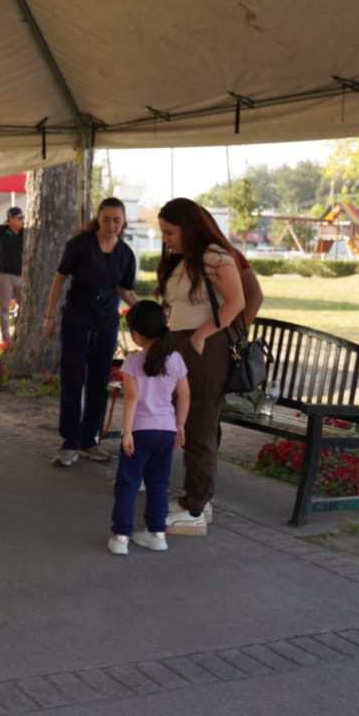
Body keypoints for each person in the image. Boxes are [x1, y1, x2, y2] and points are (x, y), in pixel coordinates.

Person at [155, 197, 246, 534]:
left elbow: (238, 301)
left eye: (170, 232)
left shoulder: (215, 257)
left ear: (189, 227)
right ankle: (197, 499)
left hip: (205, 350)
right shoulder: (186, 259)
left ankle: (196, 507)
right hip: (183, 347)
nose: (166, 239)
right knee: (192, 426)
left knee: (200, 427)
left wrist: (201, 335)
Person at [42, 197, 138, 467]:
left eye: (116, 220)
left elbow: (126, 290)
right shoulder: (80, 245)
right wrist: (49, 315)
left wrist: (147, 314)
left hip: (106, 322)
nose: (111, 224)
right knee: (73, 378)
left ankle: (89, 440)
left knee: (99, 381)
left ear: (123, 222)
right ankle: (69, 442)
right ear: (98, 218)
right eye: (106, 218)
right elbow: (59, 278)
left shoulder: (126, 254)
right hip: (77, 319)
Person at [107, 300, 189, 555]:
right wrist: (180, 425)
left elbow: (131, 398)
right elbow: (185, 395)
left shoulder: (133, 360)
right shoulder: (175, 359)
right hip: (166, 432)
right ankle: (157, 533)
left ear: (136, 334)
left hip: (140, 431)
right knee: (158, 484)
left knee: (128, 483)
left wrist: (127, 431)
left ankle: (121, 537)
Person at [0, 193, 25, 343]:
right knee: (5, 309)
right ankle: (6, 339)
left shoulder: (23, 233)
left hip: (21, 276)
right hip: (5, 276)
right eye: (19, 218)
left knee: (25, 307)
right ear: (11, 219)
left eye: (23, 218)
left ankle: (20, 337)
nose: (23, 221)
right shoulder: (3, 231)